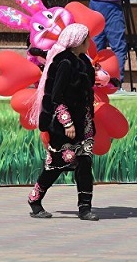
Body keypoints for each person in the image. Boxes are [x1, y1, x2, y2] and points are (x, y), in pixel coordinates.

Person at [26, 23, 98, 220]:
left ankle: (85, 207)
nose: (89, 43)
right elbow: (56, 96)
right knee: (57, 163)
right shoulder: (64, 62)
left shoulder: (83, 61)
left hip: (84, 124)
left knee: (85, 164)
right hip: (63, 125)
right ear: (78, 42)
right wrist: (67, 123)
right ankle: (35, 199)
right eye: (86, 39)